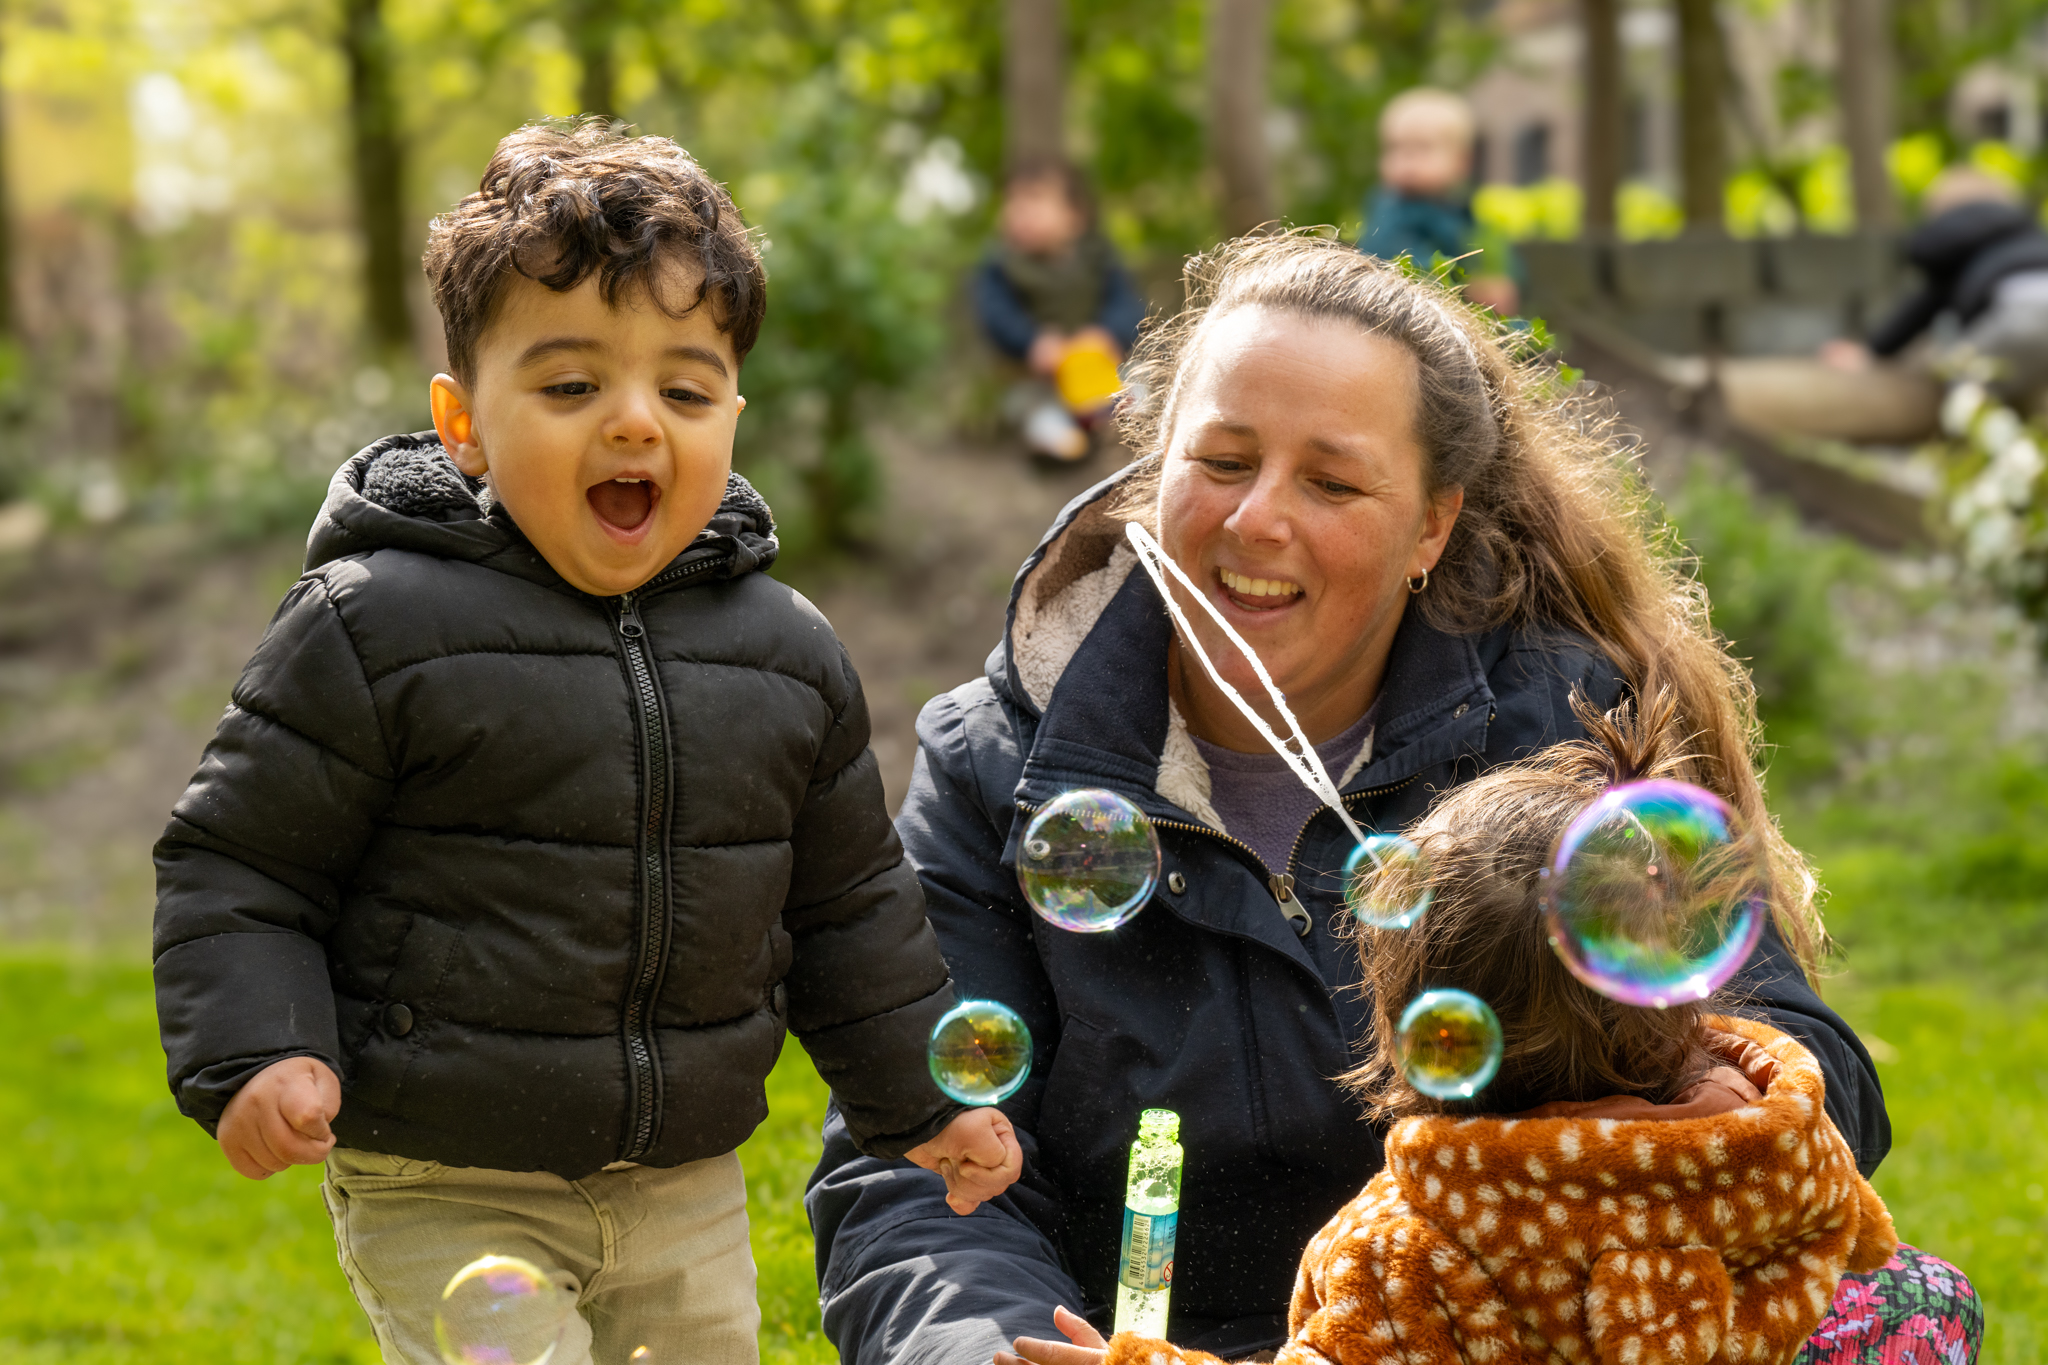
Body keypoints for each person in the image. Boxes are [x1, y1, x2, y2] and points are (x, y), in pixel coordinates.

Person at [806, 234, 1973, 1365]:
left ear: (1430, 525)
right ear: (1149, 471)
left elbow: (1795, 1050)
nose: (1257, 516)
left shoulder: (1561, 734)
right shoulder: (994, 762)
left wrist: (1707, 1120)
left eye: (1329, 479)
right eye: (1219, 460)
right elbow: (913, 1167)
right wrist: (992, 1355)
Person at [151, 120, 1020, 1365]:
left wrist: (923, 1097)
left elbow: (848, 911)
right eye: (568, 386)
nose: (632, 423)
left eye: (683, 388)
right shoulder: (377, 624)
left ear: (732, 412)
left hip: (682, 1175)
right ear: (463, 423)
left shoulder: (784, 652)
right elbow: (239, 865)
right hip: (449, 1170)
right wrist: (258, 1049)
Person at [1006, 694, 1976, 1365]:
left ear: (1414, 1027)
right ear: (1677, 995)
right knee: (1920, 1293)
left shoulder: (1405, 1248)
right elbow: (1868, 1257)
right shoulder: (1778, 1142)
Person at [1822, 166, 2048, 407]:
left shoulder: (1953, 237)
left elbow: (1924, 304)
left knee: (1965, 396)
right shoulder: (2029, 232)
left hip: (2018, 316)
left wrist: (1872, 352)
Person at [975, 158, 1149, 461]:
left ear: (1075, 217)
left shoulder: (1099, 259)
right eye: (1013, 202)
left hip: (1099, 369)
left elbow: (1129, 304)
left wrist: (1108, 333)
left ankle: (1126, 419)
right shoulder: (1001, 268)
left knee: (1137, 382)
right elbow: (996, 315)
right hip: (1042, 379)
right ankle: (1058, 440)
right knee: (1028, 405)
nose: (1020, 213)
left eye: (1034, 201)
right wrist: (1031, 343)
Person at [1358, 88, 1520, 317]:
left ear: (1462, 161)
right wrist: (1470, 289)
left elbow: (1490, 252)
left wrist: (1504, 280)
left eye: (1422, 148)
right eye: (1395, 148)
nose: (1406, 161)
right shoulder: (1392, 210)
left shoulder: (1463, 213)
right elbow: (1400, 262)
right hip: (1403, 316)